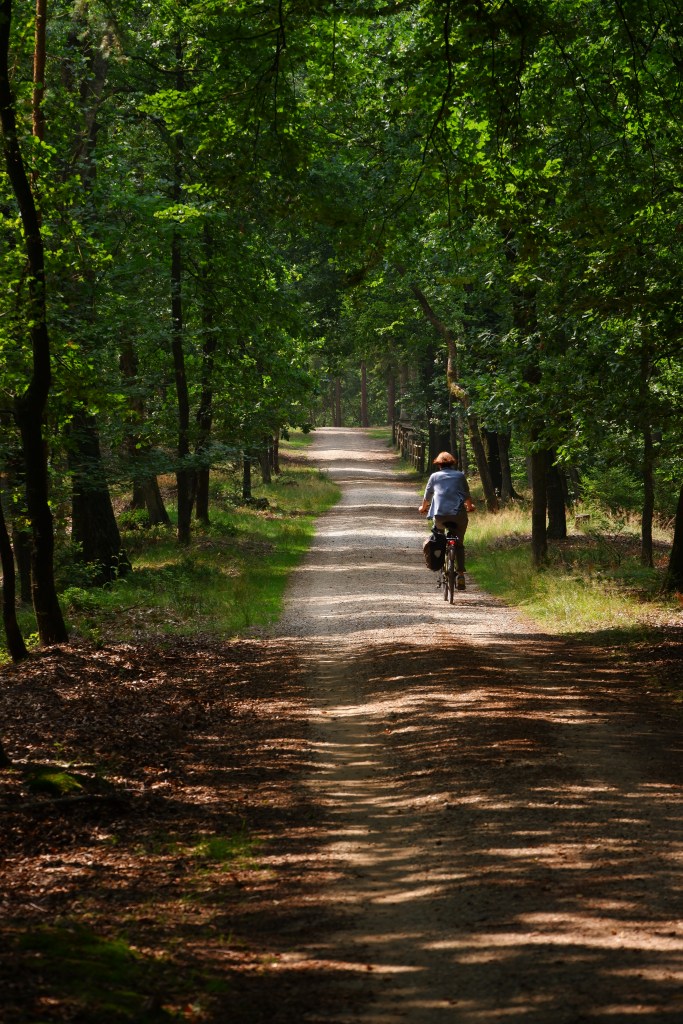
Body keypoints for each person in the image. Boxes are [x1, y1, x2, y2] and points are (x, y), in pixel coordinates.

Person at [418, 451, 475, 590]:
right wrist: (470, 506)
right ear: (452, 463)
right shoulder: (460, 475)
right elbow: (466, 494)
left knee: (439, 537)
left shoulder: (434, 476)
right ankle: (460, 575)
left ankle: (442, 560)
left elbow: (428, 496)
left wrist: (423, 507)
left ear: (438, 465)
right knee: (459, 544)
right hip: (458, 515)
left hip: (440, 515)